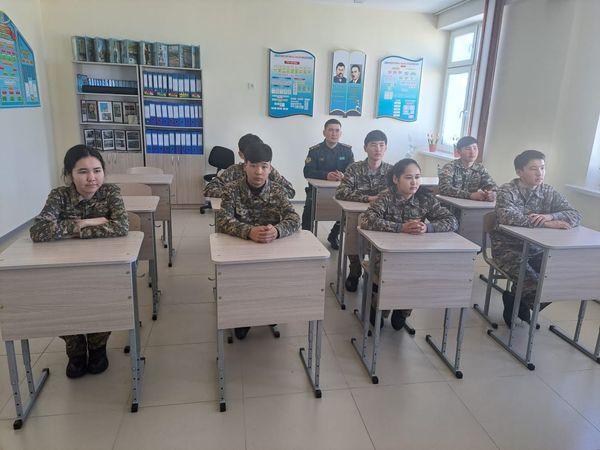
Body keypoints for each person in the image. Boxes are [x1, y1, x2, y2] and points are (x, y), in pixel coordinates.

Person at [29, 144, 129, 379]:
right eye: (83, 171)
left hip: (103, 264)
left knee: (102, 300)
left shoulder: (110, 192)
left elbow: (121, 226)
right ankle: (75, 351)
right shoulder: (59, 196)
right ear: (69, 174)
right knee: (64, 303)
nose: (91, 178)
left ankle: (97, 347)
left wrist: (67, 229)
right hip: (63, 266)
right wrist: (86, 223)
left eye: (97, 170)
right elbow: (39, 231)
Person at [216, 141, 301, 340]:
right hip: (239, 251)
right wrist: (249, 231)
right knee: (243, 284)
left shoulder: (278, 191)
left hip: (270, 250)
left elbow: (294, 218)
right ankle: (243, 318)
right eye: (253, 165)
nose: (258, 171)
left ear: (270, 168)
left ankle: (268, 311)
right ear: (245, 166)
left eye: (264, 166)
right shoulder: (231, 190)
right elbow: (222, 220)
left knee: (270, 282)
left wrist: (277, 231)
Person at [361, 158, 458, 330]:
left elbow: (452, 220)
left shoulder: (425, 198)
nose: (414, 182)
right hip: (384, 254)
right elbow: (367, 220)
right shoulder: (386, 197)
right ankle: (379, 304)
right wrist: (400, 228)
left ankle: (403, 308)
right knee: (396, 271)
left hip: (414, 253)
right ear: (395, 179)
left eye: (417, 177)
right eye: (408, 177)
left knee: (420, 271)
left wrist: (427, 227)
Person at [491, 150, 582, 327]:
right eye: (533, 169)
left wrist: (551, 216)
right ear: (519, 172)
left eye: (542, 168)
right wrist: (546, 224)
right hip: (508, 248)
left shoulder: (548, 191)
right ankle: (519, 302)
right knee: (533, 283)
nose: (539, 173)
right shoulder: (506, 190)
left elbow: (575, 214)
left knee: (559, 279)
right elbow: (507, 217)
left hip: (537, 248)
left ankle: (515, 300)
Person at [335, 130, 392, 292]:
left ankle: (376, 273)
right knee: (353, 235)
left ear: (386, 148)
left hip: (382, 217)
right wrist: (368, 198)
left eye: (381, 145)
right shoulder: (354, 168)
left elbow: (397, 194)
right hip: (356, 215)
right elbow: (341, 192)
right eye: (373, 145)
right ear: (365, 148)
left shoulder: (392, 171)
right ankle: (354, 269)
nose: (378, 149)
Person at [302, 119, 354, 249]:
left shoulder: (347, 151)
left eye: (337, 131)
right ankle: (306, 238)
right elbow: (307, 172)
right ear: (324, 132)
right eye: (330, 130)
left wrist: (343, 176)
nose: (334, 134)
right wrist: (326, 176)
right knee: (309, 208)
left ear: (340, 133)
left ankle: (334, 235)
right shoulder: (315, 151)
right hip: (317, 191)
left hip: (340, 190)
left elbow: (353, 172)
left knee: (349, 211)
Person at [204, 133, 295, 199]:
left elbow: (290, 192)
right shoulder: (234, 170)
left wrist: (265, 193)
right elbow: (209, 189)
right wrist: (235, 193)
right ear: (241, 155)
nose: (258, 171)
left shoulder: (268, 171)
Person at [438, 136, 497, 201]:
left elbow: (492, 186)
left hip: (469, 206)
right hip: (449, 205)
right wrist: (470, 195)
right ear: (459, 151)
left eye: (475, 148)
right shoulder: (450, 167)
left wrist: (492, 193)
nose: (472, 152)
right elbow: (444, 188)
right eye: (468, 149)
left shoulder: (480, 169)